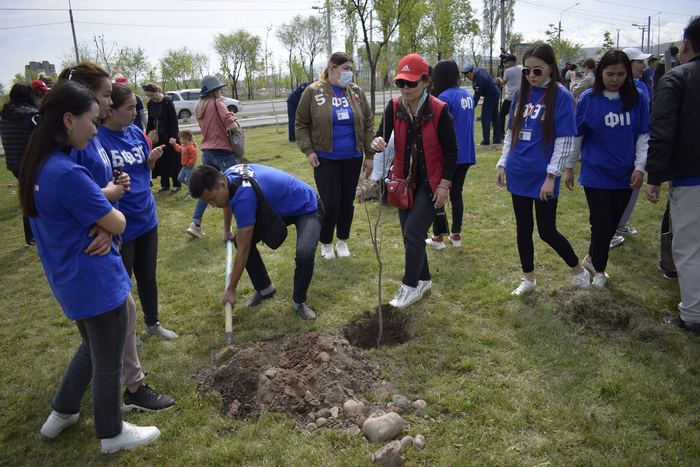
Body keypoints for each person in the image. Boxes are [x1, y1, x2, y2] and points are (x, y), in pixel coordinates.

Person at [19, 80, 160, 453]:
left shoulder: (40, 167)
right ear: (68, 120)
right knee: (109, 360)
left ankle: (63, 411)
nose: (96, 130)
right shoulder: (68, 174)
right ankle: (112, 433)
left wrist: (101, 215)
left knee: (90, 347)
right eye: (93, 121)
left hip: (69, 279)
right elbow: (119, 223)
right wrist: (109, 214)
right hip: (97, 281)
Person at [495, 44, 590, 295]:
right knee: (523, 229)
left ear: (550, 67)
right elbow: (510, 133)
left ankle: (578, 269)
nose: (531, 76)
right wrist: (503, 163)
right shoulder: (521, 93)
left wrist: (551, 176)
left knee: (547, 231)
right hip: (518, 171)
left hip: (542, 176)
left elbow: (565, 140)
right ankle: (528, 279)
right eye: (527, 71)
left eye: (537, 70)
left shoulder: (560, 95)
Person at [371, 53, 458, 309]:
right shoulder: (394, 107)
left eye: (411, 83)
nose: (406, 88)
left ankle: (409, 286)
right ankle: (424, 279)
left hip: (431, 182)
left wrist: (444, 184)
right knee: (411, 236)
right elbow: (380, 136)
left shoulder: (439, 111)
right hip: (404, 182)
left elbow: (452, 151)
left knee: (414, 231)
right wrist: (376, 143)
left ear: (425, 82)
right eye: (401, 83)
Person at [98, 82, 179, 345]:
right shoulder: (98, 140)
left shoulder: (134, 132)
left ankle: (153, 323)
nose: (136, 112)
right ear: (110, 110)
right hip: (122, 222)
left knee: (148, 275)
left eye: (136, 107)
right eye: (130, 108)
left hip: (147, 216)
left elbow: (144, 167)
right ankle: (127, 333)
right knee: (123, 281)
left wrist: (152, 158)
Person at [188, 164, 324, 319]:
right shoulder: (227, 179)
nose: (213, 205)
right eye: (208, 202)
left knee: (304, 253)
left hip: (308, 206)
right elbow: (227, 201)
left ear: (221, 185)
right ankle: (265, 288)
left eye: (212, 199)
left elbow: (244, 249)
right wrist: (227, 230)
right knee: (240, 239)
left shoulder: (244, 195)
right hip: (281, 208)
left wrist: (231, 290)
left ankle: (298, 302)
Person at [566, 50, 649, 288]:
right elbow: (577, 136)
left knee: (613, 224)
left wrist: (640, 167)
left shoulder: (638, 98)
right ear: (600, 73)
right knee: (601, 223)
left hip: (625, 174)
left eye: (621, 74)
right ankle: (600, 270)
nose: (615, 79)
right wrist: (570, 167)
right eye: (610, 74)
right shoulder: (588, 100)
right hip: (596, 174)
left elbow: (644, 135)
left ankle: (592, 258)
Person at [646, 16, 700, 335]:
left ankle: (692, 315)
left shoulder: (677, 78)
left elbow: (662, 130)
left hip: (692, 178)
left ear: (686, 45)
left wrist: (655, 175)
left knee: (689, 247)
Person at [295, 52, 375, 259]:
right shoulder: (313, 92)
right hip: (325, 158)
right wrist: (309, 150)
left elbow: (367, 122)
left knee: (347, 202)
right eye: (345, 69)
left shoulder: (355, 91)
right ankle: (326, 242)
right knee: (330, 203)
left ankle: (343, 241)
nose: (349, 73)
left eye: (351, 69)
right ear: (332, 68)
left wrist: (369, 154)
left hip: (352, 156)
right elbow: (301, 123)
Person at [426, 60, 476, 249]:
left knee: (438, 193)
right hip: (467, 153)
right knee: (457, 195)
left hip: (449, 156)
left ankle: (438, 236)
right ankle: (456, 235)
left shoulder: (443, 98)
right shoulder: (467, 94)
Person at [608, 47, 652, 248]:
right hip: (617, 153)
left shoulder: (641, 88)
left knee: (631, 188)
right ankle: (611, 228)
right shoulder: (612, 91)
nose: (642, 66)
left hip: (635, 149)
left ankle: (620, 223)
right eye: (638, 62)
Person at [185, 75, 239, 238]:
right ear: (215, 90)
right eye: (220, 89)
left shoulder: (198, 106)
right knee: (229, 189)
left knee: (206, 189)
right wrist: (235, 124)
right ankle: (227, 232)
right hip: (223, 152)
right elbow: (230, 123)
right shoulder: (218, 103)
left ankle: (195, 223)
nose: (221, 92)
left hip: (207, 151)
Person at [0, 83, 39, 246]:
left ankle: (31, 236)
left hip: (15, 164)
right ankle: (33, 235)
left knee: (27, 195)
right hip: (32, 162)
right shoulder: (31, 115)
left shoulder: (4, 116)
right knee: (35, 198)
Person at [143, 83, 181, 193]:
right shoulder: (150, 104)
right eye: (148, 96)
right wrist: (147, 136)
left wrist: (174, 136)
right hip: (158, 137)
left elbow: (174, 120)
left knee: (173, 160)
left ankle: (176, 184)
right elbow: (150, 121)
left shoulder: (167, 101)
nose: (150, 98)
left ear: (156, 91)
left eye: (151, 95)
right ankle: (164, 185)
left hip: (170, 137)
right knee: (161, 161)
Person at [463, 64, 502, 145]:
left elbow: (476, 97)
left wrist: (471, 108)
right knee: (494, 116)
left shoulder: (479, 79)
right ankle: (497, 138)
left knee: (485, 117)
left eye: (468, 76)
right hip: (494, 93)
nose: (468, 78)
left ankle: (486, 140)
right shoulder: (478, 71)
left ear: (472, 72)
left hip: (491, 95)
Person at [497, 54, 522, 141]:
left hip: (511, 97)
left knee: (502, 114)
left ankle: (501, 133)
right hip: (521, 96)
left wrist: (499, 80)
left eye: (507, 62)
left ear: (510, 62)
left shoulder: (508, 71)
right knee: (518, 115)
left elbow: (503, 83)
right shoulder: (522, 69)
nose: (506, 64)